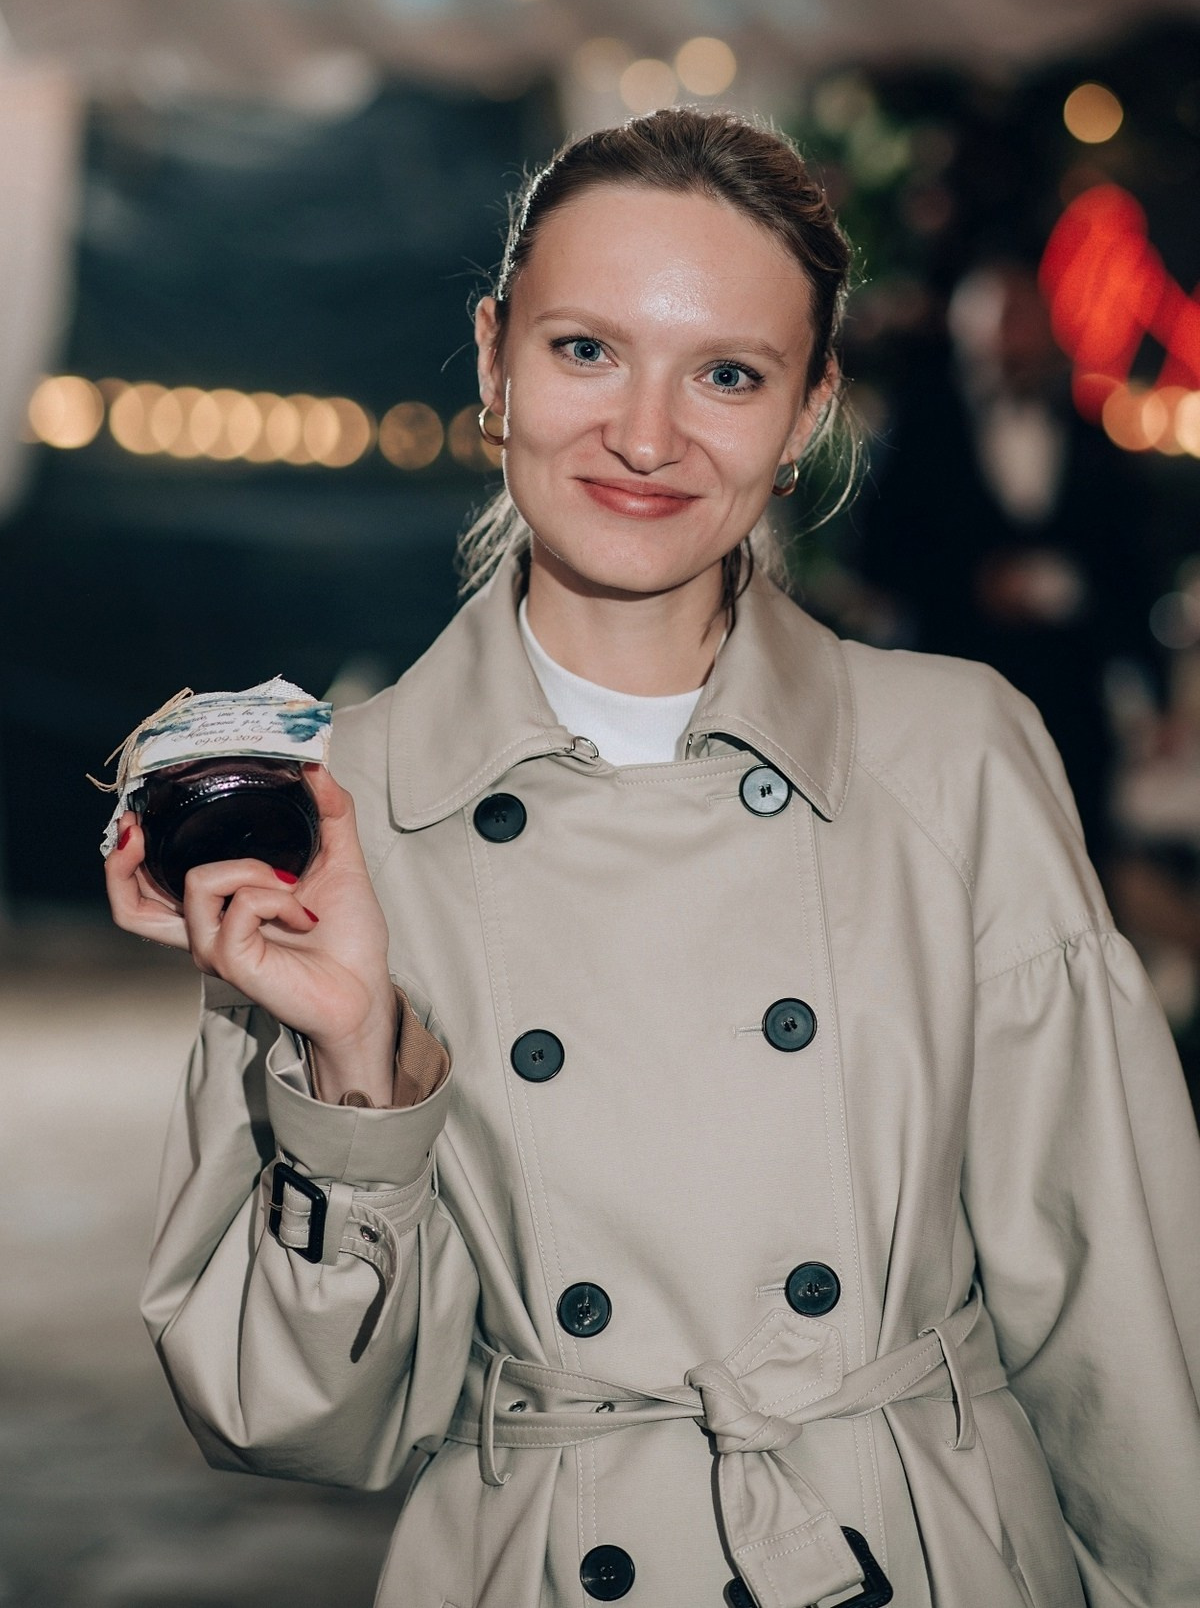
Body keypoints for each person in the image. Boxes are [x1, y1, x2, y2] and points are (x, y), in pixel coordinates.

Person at [109, 110, 1200, 1608]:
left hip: (923, 1548)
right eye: (585, 350)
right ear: (493, 358)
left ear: (808, 410)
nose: (644, 434)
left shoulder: (954, 754)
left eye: (728, 374)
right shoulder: (340, 808)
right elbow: (293, 1418)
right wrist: (359, 1068)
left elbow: (1117, 1316)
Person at [853, 259, 1163, 872]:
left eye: (1019, 320)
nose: (1006, 340)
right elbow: (873, 554)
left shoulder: (1095, 435)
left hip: (1071, 708)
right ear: (962, 334)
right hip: (948, 695)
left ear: (1047, 329)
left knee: (1073, 871)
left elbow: (1132, 564)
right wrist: (973, 586)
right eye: (992, 325)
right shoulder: (918, 430)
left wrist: (1152, 691)